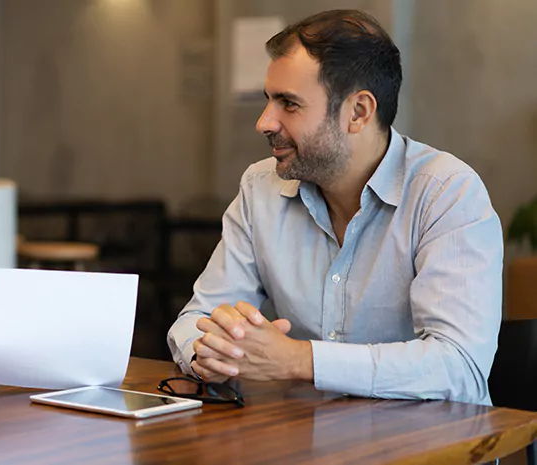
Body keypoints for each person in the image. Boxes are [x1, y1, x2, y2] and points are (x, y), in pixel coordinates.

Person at [167, 10, 502, 405]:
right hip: (305, 442)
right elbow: (193, 323)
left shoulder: (447, 193)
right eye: (268, 100)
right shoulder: (260, 189)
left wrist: (299, 359)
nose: (264, 122)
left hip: (428, 445)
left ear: (358, 112)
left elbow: (458, 366)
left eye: (288, 104)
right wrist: (214, 352)